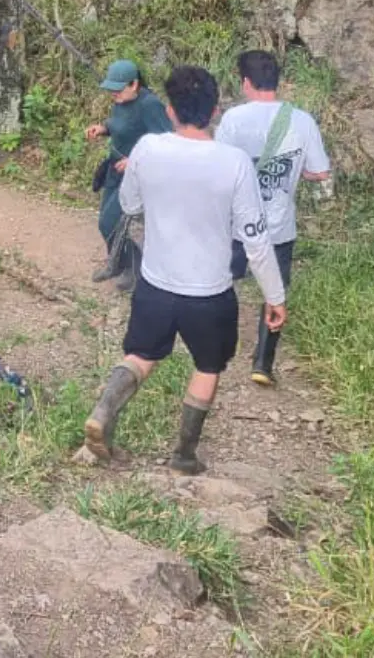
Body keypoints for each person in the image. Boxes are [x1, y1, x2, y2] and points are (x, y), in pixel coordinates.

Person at [81, 65, 288, 475]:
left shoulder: (148, 150)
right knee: (207, 366)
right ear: (214, 112)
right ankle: (183, 455)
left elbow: (131, 205)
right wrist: (275, 296)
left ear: (171, 111)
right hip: (210, 294)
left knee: (140, 356)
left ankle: (102, 415)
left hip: (155, 286)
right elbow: (255, 238)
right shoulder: (234, 163)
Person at [216, 50, 330, 388]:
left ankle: (217, 340)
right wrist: (296, 172)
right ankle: (263, 364)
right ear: (277, 82)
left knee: (223, 279)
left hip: (237, 225)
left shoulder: (234, 119)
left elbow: (219, 167)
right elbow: (319, 171)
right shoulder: (303, 120)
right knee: (274, 292)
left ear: (245, 82)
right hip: (279, 228)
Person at [84, 59, 173, 284]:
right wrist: (103, 129)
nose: (113, 94)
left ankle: (133, 268)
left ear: (134, 84)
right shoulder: (122, 100)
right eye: (111, 89)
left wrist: (134, 160)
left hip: (134, 174)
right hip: (114, 169)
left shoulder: (150, 105)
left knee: (109, 222)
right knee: (106, 222)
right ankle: (121, 264)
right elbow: (120, 124)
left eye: (118, 89)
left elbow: (166, 142)